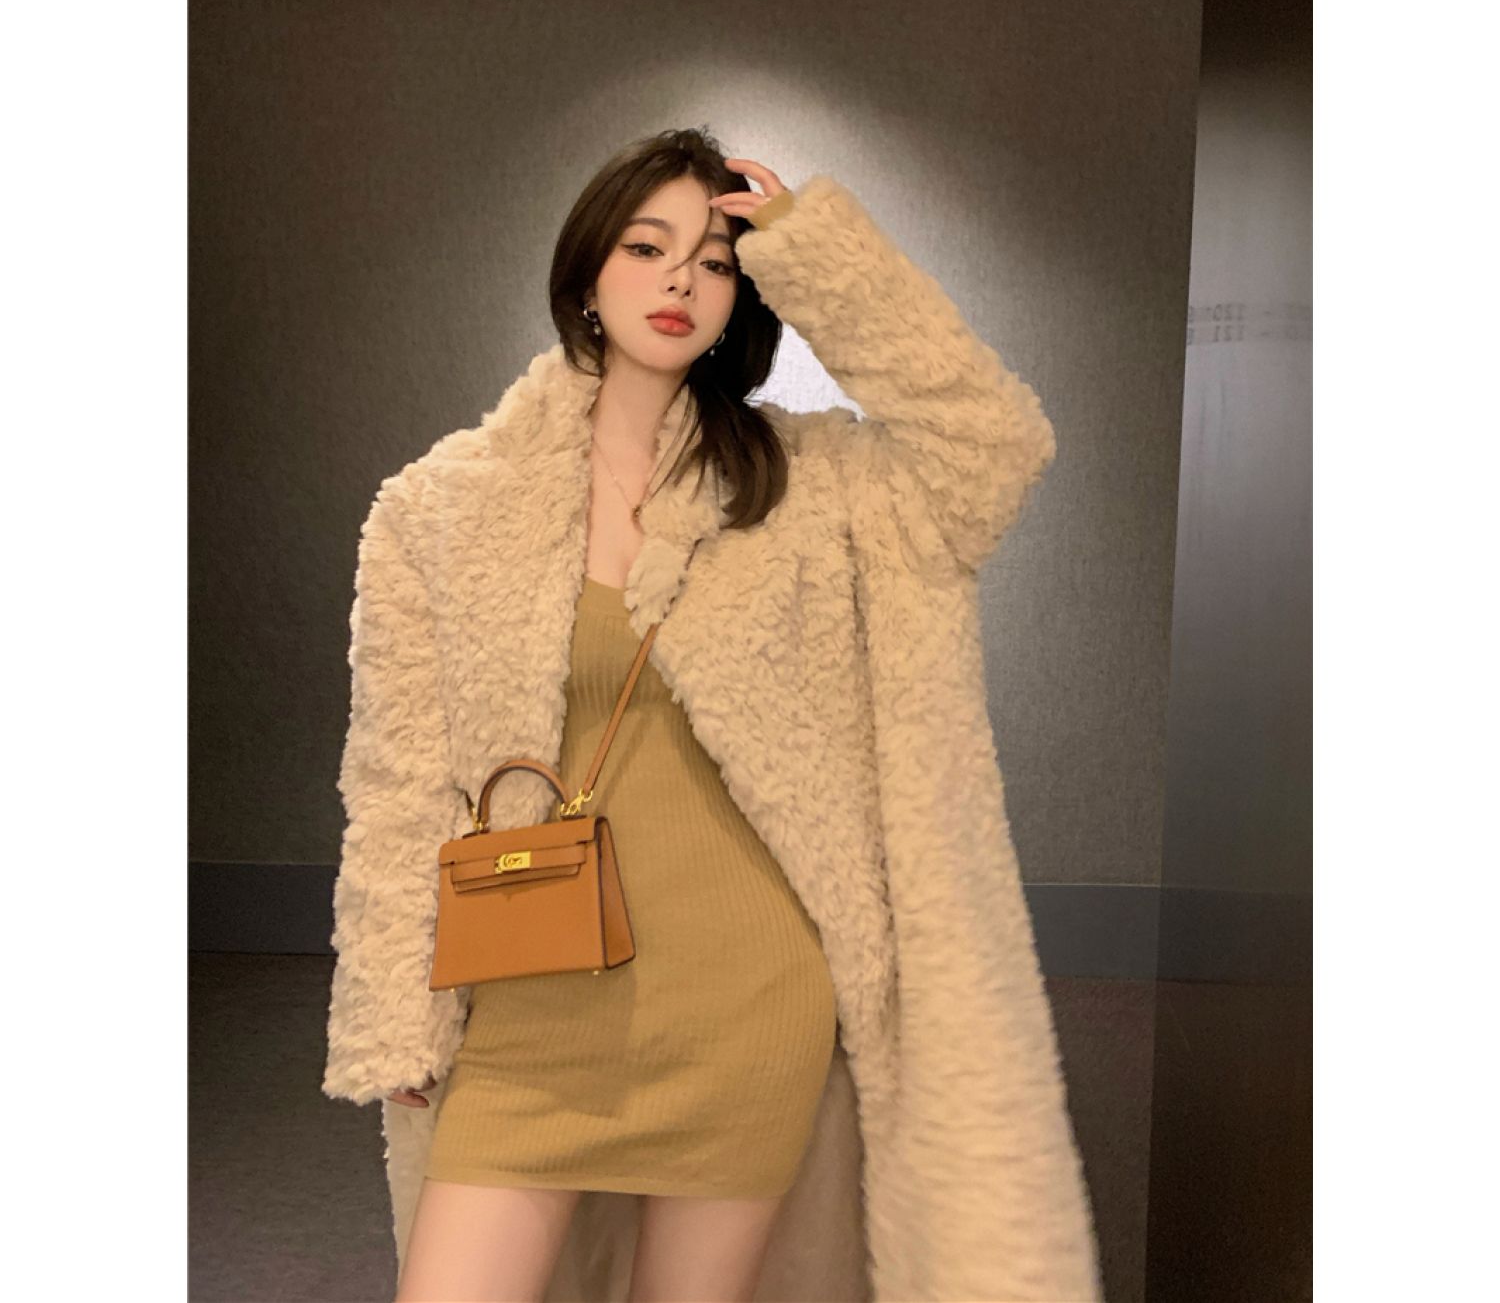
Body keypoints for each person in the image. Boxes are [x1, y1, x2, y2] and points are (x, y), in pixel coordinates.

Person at [323, 127, 1102, 1303]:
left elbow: (994, 446)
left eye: (717, 260)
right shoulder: (439, 509)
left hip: (746, 1002)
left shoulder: (806, 482)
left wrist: (814, 248)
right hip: (531, 1004)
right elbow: (397, 784)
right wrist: (393, 1014)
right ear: (587, 275)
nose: (681, 280)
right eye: (647, 248)